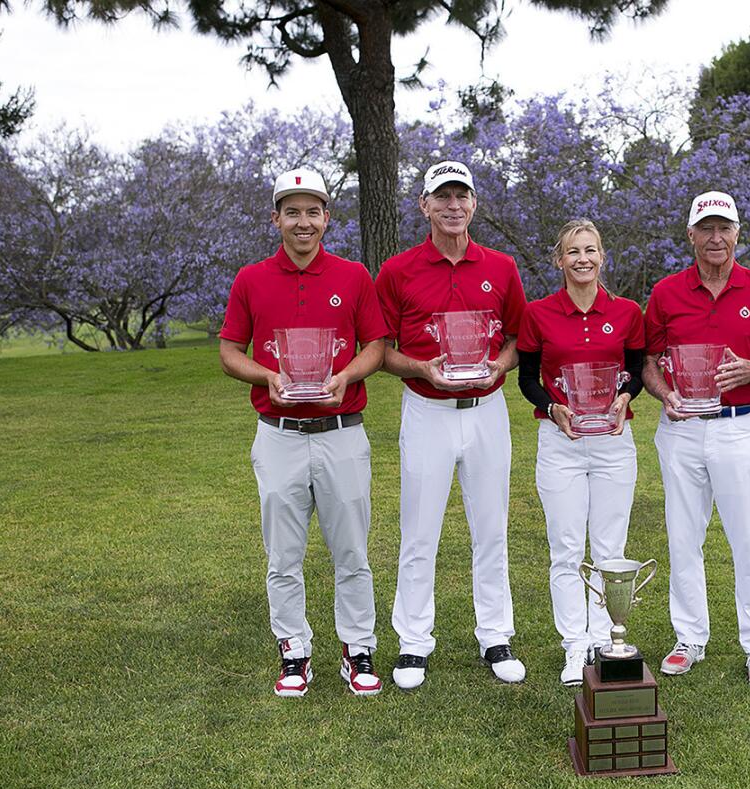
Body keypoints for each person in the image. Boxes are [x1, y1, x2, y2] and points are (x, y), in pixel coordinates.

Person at [218, 167, 387, 698]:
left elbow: (377, 345)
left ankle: (356, 650)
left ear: (326, 218)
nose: (303, 221)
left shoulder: (353, 275)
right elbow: (228, 352)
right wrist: (268, 375)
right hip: (279, 432)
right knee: (283, 556)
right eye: (292, 211)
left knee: (352, 552)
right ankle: (294, 651)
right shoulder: (251, 279)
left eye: (313, 211)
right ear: (276, 219)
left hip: (341, 430)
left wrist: (346, 375)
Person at [375, 160, 529, 689]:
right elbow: (382, 351)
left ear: (474, 204)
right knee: (419, 533)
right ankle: (414, 642)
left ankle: (496, 635)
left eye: (461, 196)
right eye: (442, 197)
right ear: (425, 206)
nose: (453, 205)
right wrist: (421, 368)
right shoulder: (397, 271)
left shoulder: (501, 267)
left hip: (486, 412)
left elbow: (516, 340)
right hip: (427, 412)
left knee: (492, 530)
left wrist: (499, 366)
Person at [641, 191, 750, 688]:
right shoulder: (666, 292)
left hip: (741, 426)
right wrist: (664, 393)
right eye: (706, 228)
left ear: (737, 233)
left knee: (747, 538)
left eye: (724, 228)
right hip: (682, 427)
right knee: (684, 537)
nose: (716, 237)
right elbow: (647, 361)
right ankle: (690, 637)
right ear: (691, 235)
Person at [516, 219, 646, 687]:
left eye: (590, 250)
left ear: (602, 256)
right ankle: (575, 644)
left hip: (613, 442)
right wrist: (551, 408)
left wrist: (626, 397)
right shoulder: (538, 313)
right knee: (566, 548)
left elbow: (634, 370)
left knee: (610, 549)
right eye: (573, 252)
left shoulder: (628, 311)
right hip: (561, 443)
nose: (583, 259)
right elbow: (527, 377)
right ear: (559, 260)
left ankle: (604, 638)